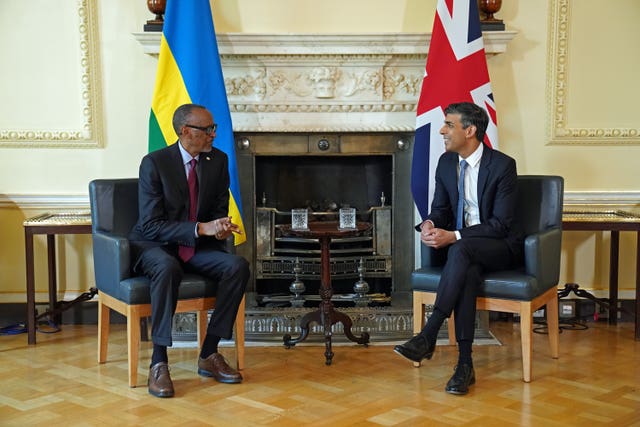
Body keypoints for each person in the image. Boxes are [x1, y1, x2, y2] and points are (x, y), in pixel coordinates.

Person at [394, 102, 523, 395]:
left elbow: (501, 224)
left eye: (449, 125)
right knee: (465, 265)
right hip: (466, 252)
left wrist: (453, 235)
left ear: (470, 130)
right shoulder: (445, 163)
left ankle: (429, 332)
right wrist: (429, 223)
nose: (442, 130)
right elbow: (440, 209)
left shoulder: (503, 165)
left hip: (500, 247)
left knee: (460, 251)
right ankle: (464, 366)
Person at [129, 103, 249, 398]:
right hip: (156, 245)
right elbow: (151, 225)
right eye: (207, 130)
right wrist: (199, 228)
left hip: (196, 247)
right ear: (185, 131)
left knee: (238, 266)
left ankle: (209, 353)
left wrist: (218, 227)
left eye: (213, 129)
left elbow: (217, 209)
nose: (213, 135)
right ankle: (159, 362)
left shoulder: (217, 161)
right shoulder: (154, 163)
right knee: (167, 268)